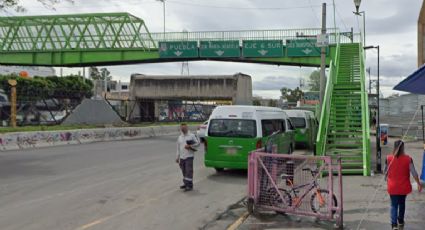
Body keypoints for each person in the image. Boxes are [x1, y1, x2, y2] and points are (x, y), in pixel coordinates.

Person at [385, 140, 423, 230]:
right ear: (403, 148)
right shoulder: (408, 159)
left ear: (394, 147)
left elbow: (385, 171)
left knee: (393, 205)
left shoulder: (388, 158)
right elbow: (414, 173)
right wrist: (418, 183)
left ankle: (394, 225)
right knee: (402, 204)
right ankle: (400, 221)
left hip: (392, 186)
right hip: (403, 187)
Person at [176, 123, 200, 192]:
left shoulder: (191, 136)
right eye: (182, 128)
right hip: (182, 157)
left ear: (187, 128)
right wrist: (177, 157)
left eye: (184, 128)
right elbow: (178, 148)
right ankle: (186, 183)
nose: (183, 129)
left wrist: (190, 146)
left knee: (188, 171)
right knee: (184, 171)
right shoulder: (180, 137)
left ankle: (189, 186)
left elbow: (197, 144)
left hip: (189, 156)